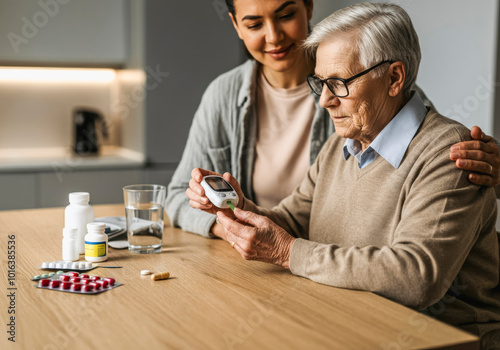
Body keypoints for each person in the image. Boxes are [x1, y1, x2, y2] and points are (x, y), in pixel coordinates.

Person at [187, 3, 500, 348]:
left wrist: (288, 253)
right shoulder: (344, 144)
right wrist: (239, 207)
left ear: (394, 78)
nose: (324, 101)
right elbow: (291, 220)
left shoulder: (452, 154)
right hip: (350, 322)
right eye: (320, 83)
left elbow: (416, 277)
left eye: (337, 83)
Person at [167, 0, 500, 239]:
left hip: (318, 262)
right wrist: (233, 221)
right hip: (294, 257)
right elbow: (179, 195)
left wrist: (490, 166)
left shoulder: (379, 92)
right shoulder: (223, 94)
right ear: (236, 26)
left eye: (286, 15)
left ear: (308, 7)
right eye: (254, 24)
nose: (273, 36)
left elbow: (425, 137)